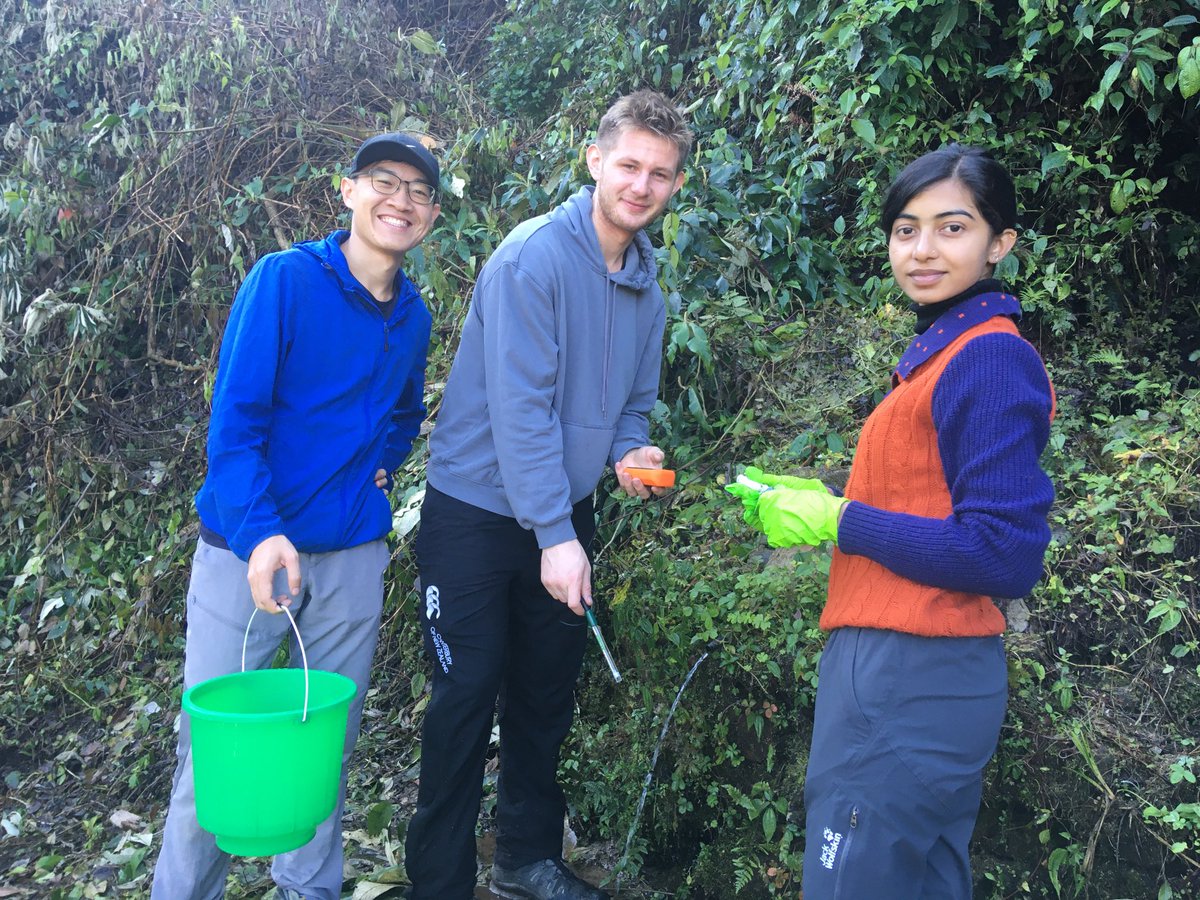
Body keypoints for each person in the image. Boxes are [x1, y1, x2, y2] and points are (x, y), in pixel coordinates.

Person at [727, 144, 1055, 899]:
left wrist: (838, 519)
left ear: (998, 244)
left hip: (909, 674)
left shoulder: (986, 358)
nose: (923, 250)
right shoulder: (944, 354)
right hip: (910, 669)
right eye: (906, 230)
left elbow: (1002, 555)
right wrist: (820, 497)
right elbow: (926, 499)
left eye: (952, 228)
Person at [404, 90, 692, 900]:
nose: (641, 185)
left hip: (563, 515)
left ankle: (525, 859)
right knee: (465, 694)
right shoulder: (533, 257)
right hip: (478, 514)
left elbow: (632, 407)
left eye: (660, 174)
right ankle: (438, 881)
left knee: (544, 692)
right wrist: (555, 536)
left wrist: (633, 453)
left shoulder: (648, 291)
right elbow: (519, 412)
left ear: (674, 186)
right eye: (628, 165)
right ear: (595, 160)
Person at [151, 133, 441, 900]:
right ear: (347, 192)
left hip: (350, 561)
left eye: (417, 191)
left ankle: (308, 890)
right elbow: (235, 426)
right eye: (384, 181)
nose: (399, 200)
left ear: (431, 217)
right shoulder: (283, 281)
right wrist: (262, 530)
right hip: (243, 557)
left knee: (322, 749)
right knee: (215, 751)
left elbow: (407, 411)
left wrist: (385, 460)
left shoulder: (413, 317)